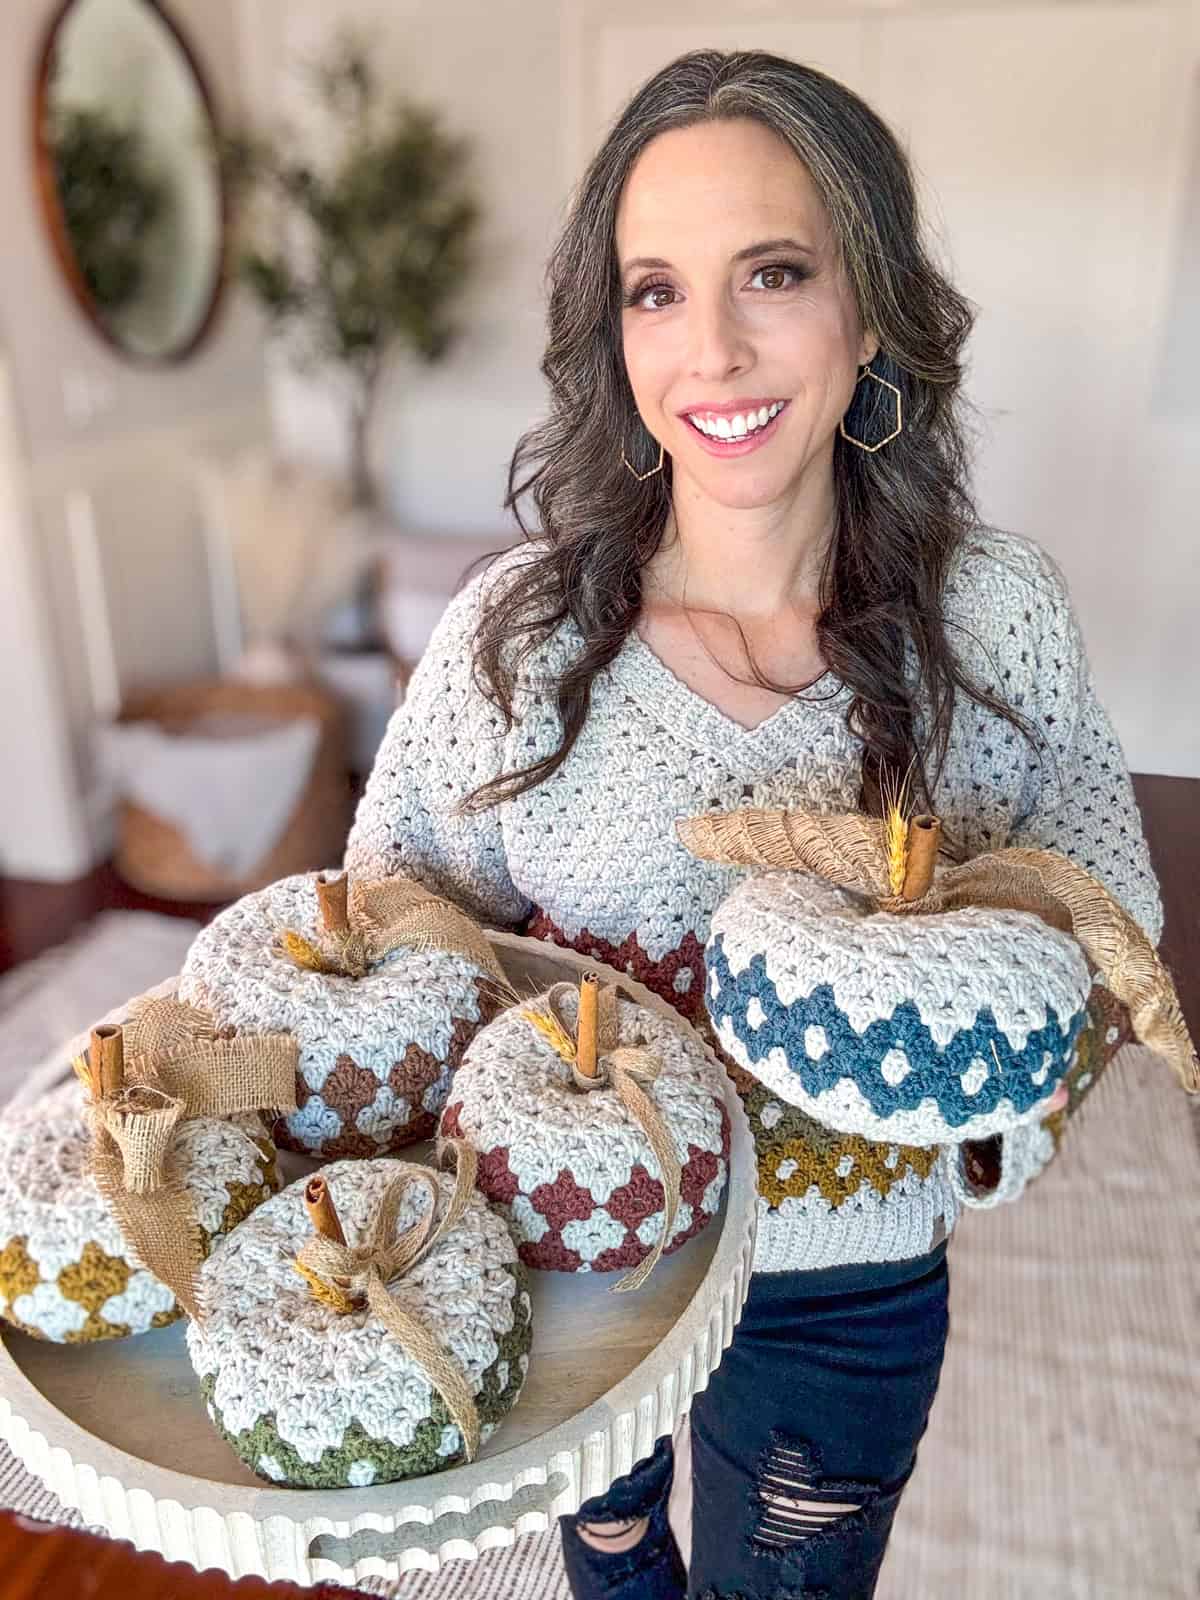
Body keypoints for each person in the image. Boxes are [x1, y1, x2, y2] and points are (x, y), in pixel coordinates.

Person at [344, 48, 1162, 1600]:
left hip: (848, 1289)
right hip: (574, 1270)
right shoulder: (516, 640)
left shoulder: (997, 622)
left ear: (870, 311)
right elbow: (389, 910)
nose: (709, 349)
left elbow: (1115, 920)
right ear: (612, 333)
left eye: (771, 273)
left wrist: (983, 1116)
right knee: (612, 1564)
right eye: (654, 291)